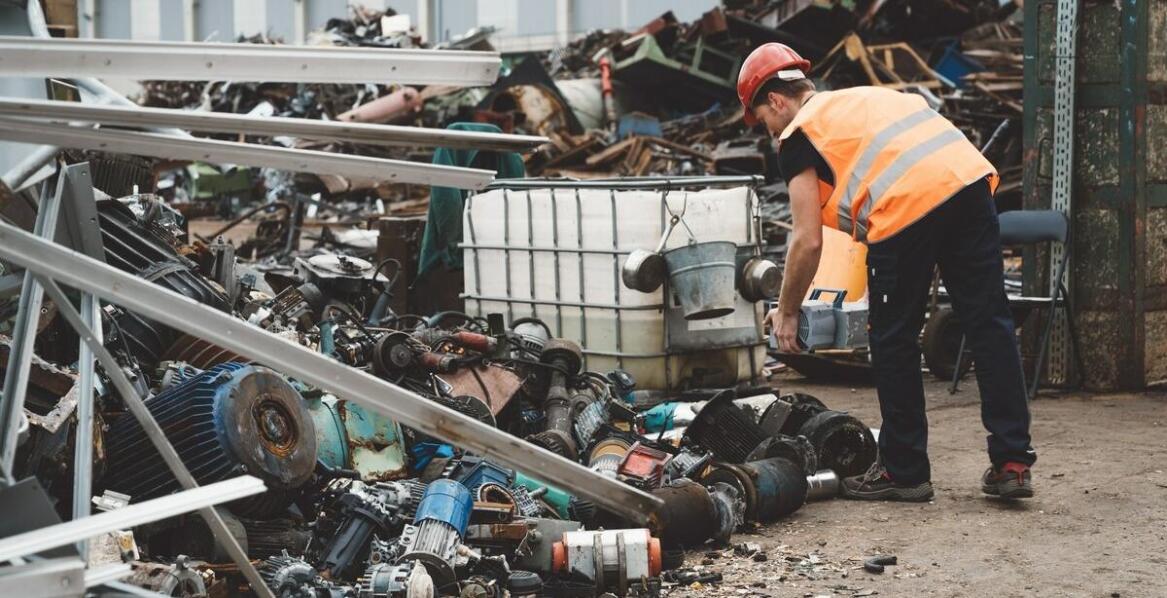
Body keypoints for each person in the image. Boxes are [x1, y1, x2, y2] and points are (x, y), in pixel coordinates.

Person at [738, 43, 1036, 501]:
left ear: (776, 100)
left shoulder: (800, 133)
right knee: (989, 322)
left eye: (762, 120)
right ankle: (1013, 463)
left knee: (893, 337)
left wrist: (788, 311)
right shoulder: (866, 99)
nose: (768, 131)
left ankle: (905, 470)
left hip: (907, 210)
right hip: (969, 188)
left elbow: (806, 239)